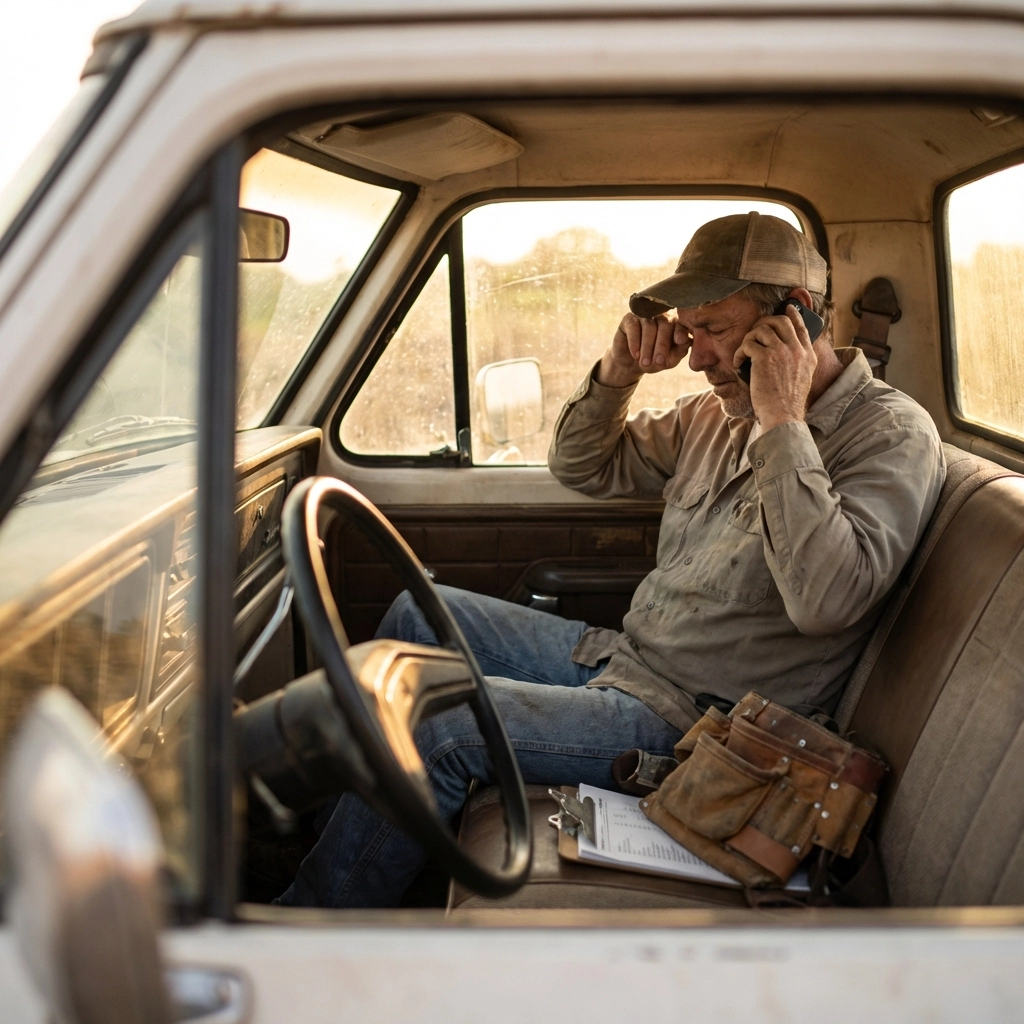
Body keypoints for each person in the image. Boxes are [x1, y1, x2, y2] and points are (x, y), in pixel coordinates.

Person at [277, 212, 944, 908]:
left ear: (796, 320)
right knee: (416, 613)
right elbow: (582, 467)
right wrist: (617, 374)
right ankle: (341, 847)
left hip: (700, 724)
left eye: (712, 328)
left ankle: (309, 924)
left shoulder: (889, 435)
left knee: (438, 729)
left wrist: (783, 421)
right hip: (626, 659)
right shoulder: (713, 416)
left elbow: (826, 601)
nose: (696, 357)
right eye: (688, 333)